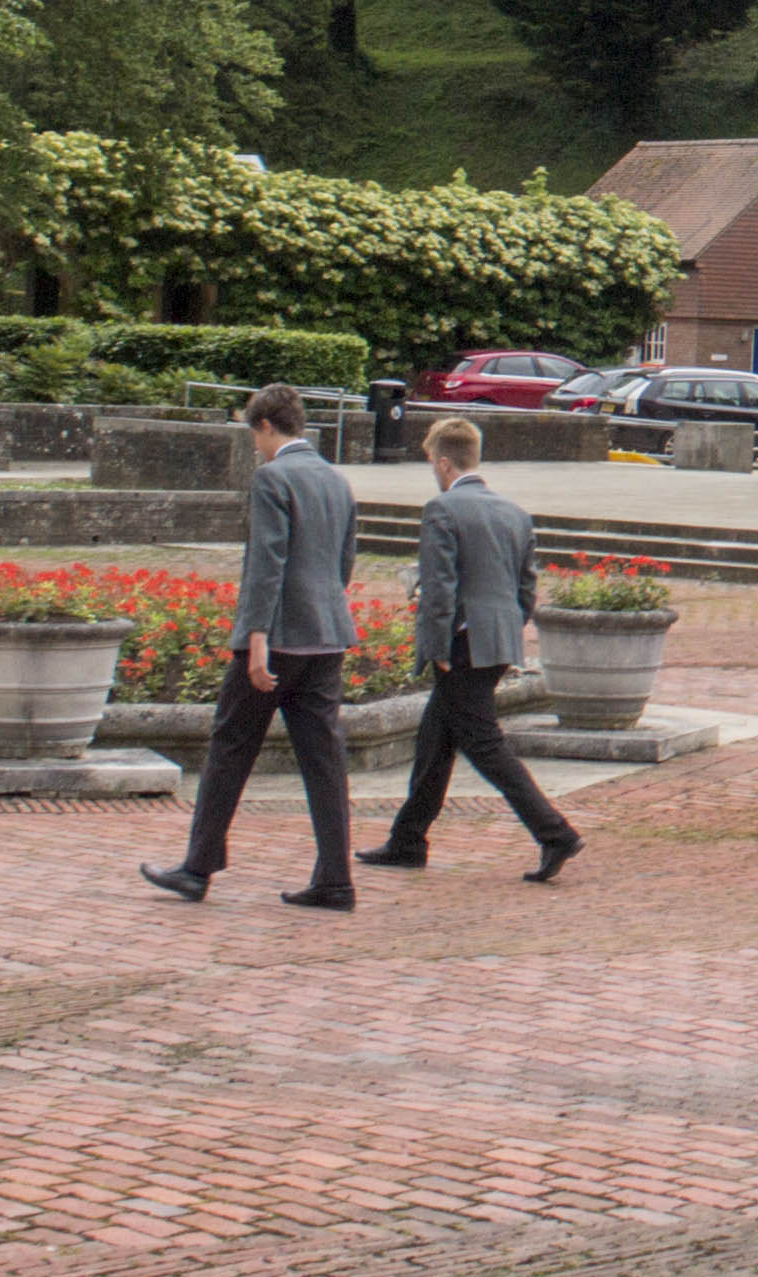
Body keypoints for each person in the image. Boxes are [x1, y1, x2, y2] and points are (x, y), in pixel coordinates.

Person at [142, 382, 360, 910]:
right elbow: (345, 564)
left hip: (278, 637)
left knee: (231, 748)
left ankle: (197, 867)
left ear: (264, 426)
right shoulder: (336, 480)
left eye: (253, 434)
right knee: (324, 760)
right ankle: (335, 878)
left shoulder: (272, 477)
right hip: (327, 633)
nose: (255, 446)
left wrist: (257, 639)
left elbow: (266, 565)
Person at [366, 411, 581, 883]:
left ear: (443, 464)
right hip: (498, 639)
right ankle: (407, 839)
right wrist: (505, 628)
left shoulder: (442, 509)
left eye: (431, 465)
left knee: (485, 746)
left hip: (461, 642)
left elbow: (440, 586)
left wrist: (437, 644)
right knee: (434, 741)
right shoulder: (514, 513)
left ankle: (554, 832)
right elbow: (527, 589)